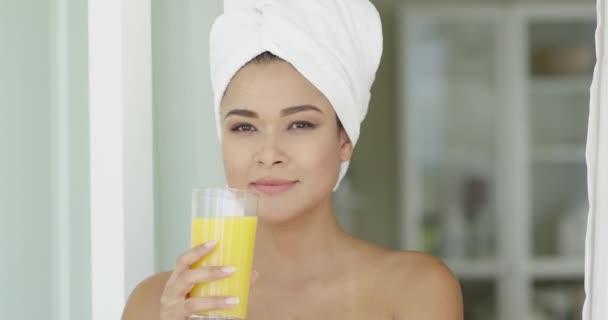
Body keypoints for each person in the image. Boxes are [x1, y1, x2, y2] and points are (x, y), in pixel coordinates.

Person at [122, 1, 463, 319]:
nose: (269, 154)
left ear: (344, 140)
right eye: (244, 126)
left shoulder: (414, 290)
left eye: (300, 124)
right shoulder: (157, 303)